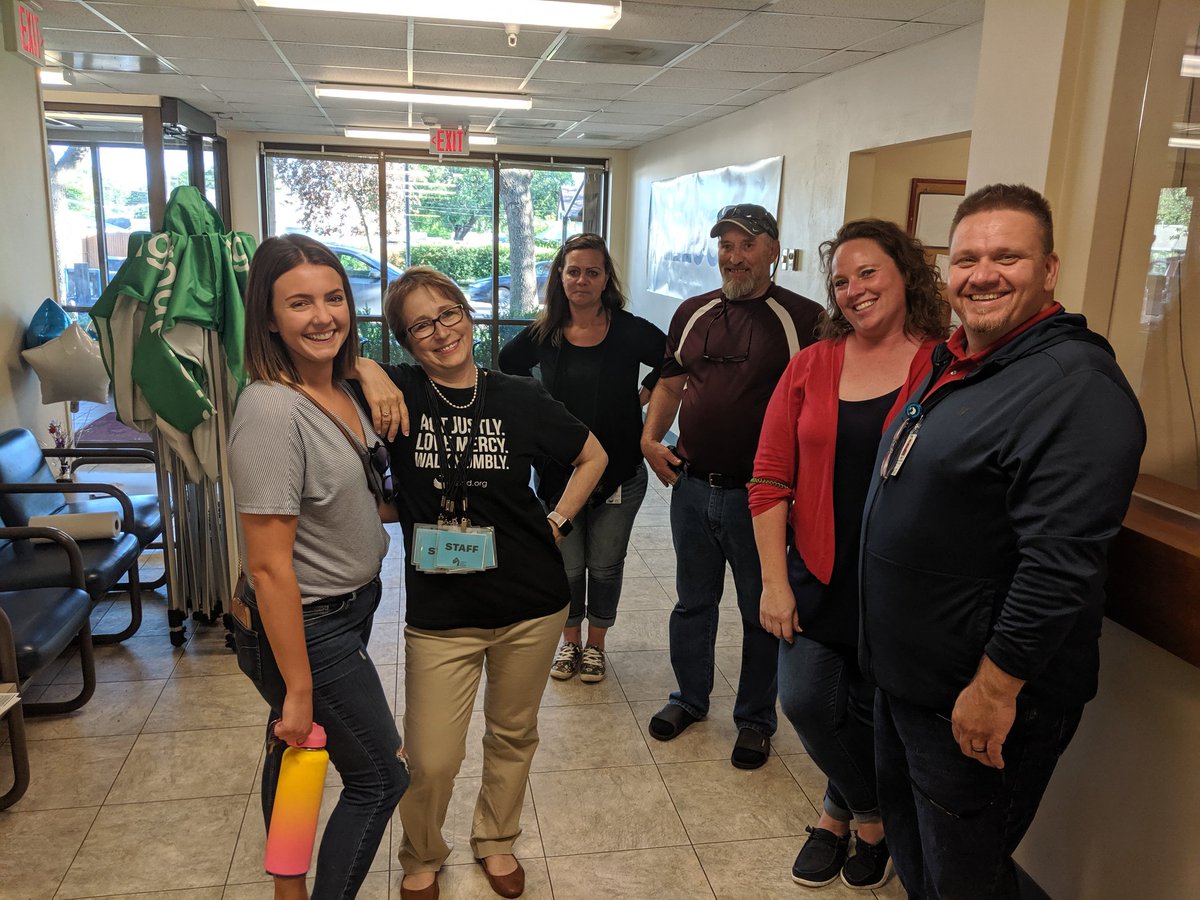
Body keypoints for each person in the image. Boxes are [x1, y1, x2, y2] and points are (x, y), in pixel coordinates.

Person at [859, 184, 1145, 899]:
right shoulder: (955, 362)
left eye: (1007, 256)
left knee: (966, 883)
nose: (982, 273)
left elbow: (1061, 562)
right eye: (967, 258)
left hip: (977, 702)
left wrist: (995, 686)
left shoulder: (1076, 386)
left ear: (1049, 269)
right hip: (911, 685)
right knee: (923, 866)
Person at [379, 267, 606, 900]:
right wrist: (369, 371)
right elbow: (330, 359)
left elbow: (594, 455)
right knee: (430, 757)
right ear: (403, 340)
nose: (441, 330)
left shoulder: (518, 396)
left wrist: (557, 519)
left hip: (529, 604)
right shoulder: (397, 394)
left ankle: (496, 839)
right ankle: (421, 852)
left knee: (512, 733)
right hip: (441, 611)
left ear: (468, 314)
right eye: (420, 323)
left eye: (448, 312)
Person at [750, 219, 950, 890]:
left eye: (868, 273)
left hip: (902, 586)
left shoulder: (946, 364)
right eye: (841, 281)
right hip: (817, 571)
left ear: (904, 274)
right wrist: (774, 584)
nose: (854, 290)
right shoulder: (811, 364)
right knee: (806, 700)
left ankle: (835, 815)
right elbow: (770, 478)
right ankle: (872, 817)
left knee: (870, 711)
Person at [228, 234, 409, 900]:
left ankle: (288, 888)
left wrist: (371, 371)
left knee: (298, 750)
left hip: (346, 609)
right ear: (270, 318)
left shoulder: (341, 387)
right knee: (381, 778)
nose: (323, 315)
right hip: (306, 623)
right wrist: (298, 685)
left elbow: (349, 497)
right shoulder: (271, 411)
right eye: (299, 303)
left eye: (334, 297)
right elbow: (270, 567)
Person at [641, 203, 822, 769]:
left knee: (758, 610)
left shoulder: (804, 318)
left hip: (760, 497)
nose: (734, 256)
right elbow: (670, 384)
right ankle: (689, 699)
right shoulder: (692, 312)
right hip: (691, 485)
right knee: (693, 602)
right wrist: (650, 440)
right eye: (725, 245)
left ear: (772, 249)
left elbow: (815, 409)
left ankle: (754, 720)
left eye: (747, 244)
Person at [499, 233, 666, 683]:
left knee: (606, 566)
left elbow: (673, 363)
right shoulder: (543, 333)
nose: (582, 280)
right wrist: (536, 410)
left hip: (619, 474)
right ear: (560, 275)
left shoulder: (629, 330)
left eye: (593, 271)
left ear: (606, 278)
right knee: (568, 566)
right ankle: (569, 643)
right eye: (573, 271)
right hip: (560, 475)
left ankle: (596, 645)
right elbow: (506, 367)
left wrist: (640, 400)